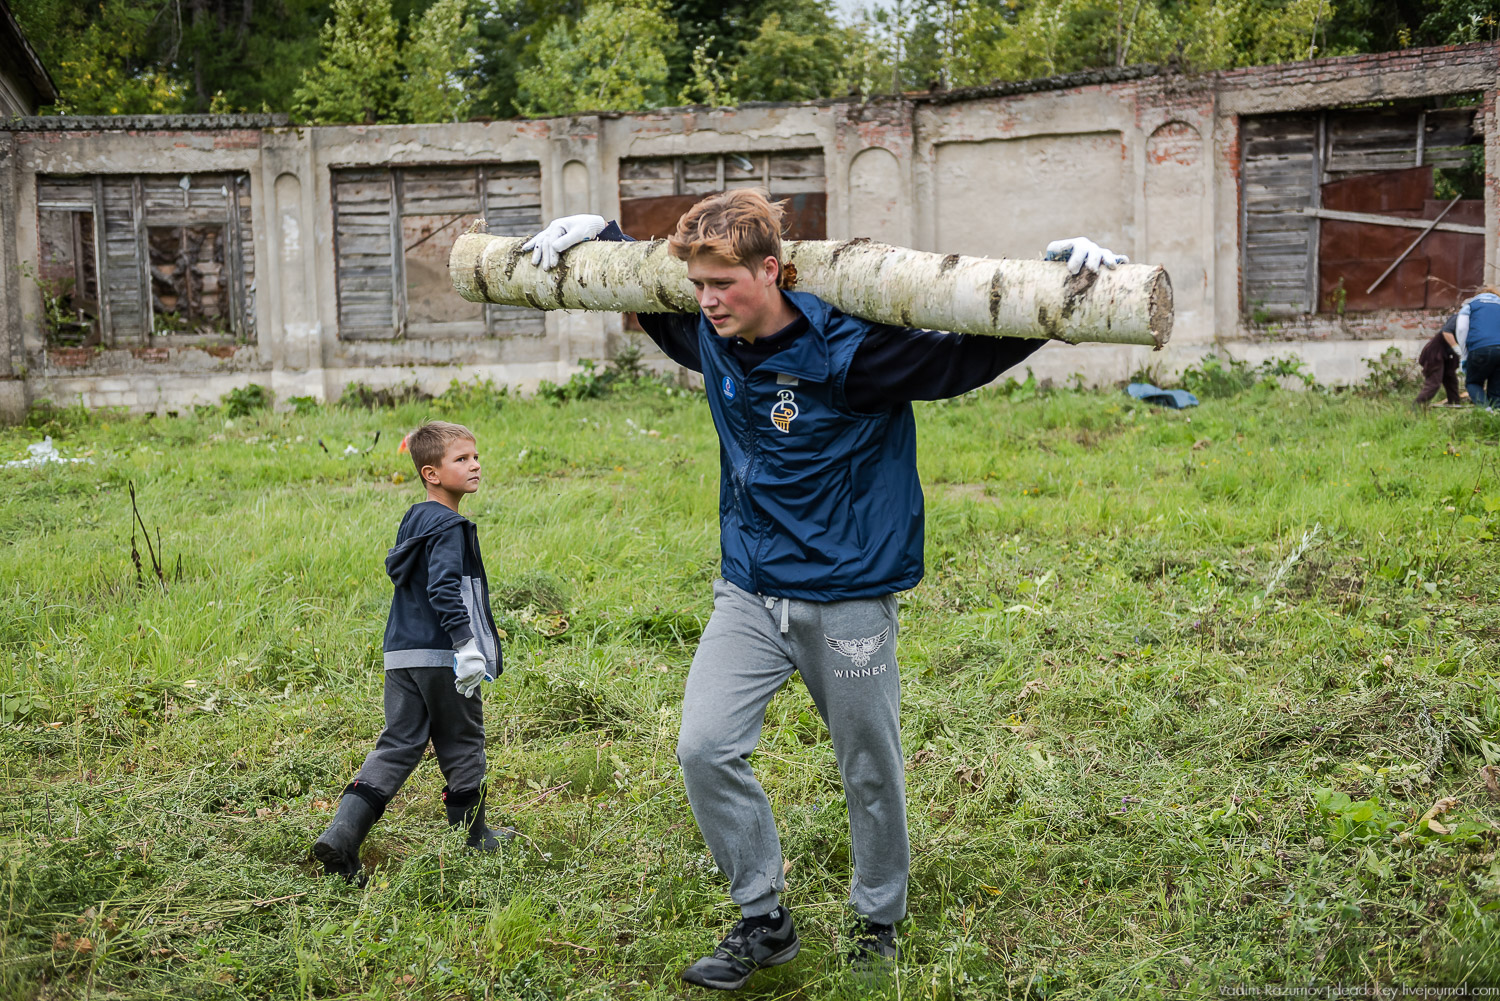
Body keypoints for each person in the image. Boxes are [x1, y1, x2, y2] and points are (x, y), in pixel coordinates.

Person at [523, 193, 1123, 989]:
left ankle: (878, 919)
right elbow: (650, 303)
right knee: (703, 747)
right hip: (749, 589)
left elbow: (962, 359)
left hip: (846, 594)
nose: (707, 300)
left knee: (868, 765)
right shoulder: (708, 334)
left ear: (770, 270)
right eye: (697, 285)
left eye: (722, 283)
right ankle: (763, 918)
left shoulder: (853, 355)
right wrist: (601, 233)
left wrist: (1055, 290)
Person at [312, 420, 509, 884]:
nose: (475, 465)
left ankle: (342, 836)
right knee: (462, 741)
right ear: (431, 473)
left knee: (399, 743)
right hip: (443, 656)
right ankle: (473, 838)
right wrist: (466, 646)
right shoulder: (450, 526)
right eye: (461, 459)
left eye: (475, 456)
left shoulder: (414, 520)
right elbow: (443, 589)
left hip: (401, 654)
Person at [1456, 288, 1500, 408]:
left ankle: (1486, 411)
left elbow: (1461, 329)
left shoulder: (1470, 306)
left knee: (1473, 383)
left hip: (1479, 348)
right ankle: (1496, 416)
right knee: (1497, 391)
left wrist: (1464, 356)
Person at [1414, 314, 1462, 407]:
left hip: (1449, 354)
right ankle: (1416, 407)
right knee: (1434, 383)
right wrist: (1456, 348)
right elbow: (1446, 332)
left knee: (1451, 381)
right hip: (1435, 352)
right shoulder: (1459, 317)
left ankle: (1455, 406)